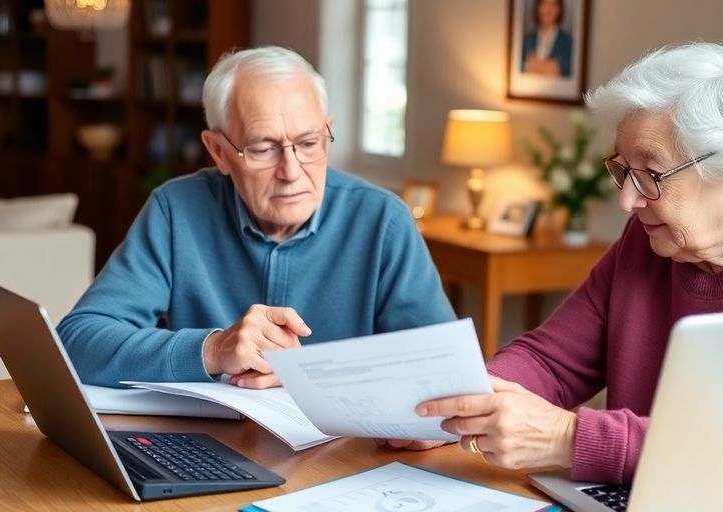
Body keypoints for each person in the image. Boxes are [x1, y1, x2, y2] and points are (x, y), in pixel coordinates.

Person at [387, 43, 723, 511]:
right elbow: (550, 359)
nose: (627, 200)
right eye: (622, 170)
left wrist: (571, 440)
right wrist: (458, 409)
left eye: (649, 175)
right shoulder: (650, 243)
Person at [58, 46, 455, 390]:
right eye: (264, 149)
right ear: (218, 152)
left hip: (341, 459)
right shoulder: (176, 209)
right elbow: (78, 341)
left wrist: (311, 376)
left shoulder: (383, 222)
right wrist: (212, 349)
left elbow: (444, 370)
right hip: (206, 453)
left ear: (327, 132)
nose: (292, 170)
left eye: (309, 143)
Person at [520, 0, 573, 77]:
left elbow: (566, 72)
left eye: (553, 5)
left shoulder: (568, 42)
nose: (549, 10)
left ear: (559, 9)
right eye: (544, 4)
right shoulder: (527, 41)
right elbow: (520, 69)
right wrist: (547, 67)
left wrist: (536, 67)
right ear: (538, 7)